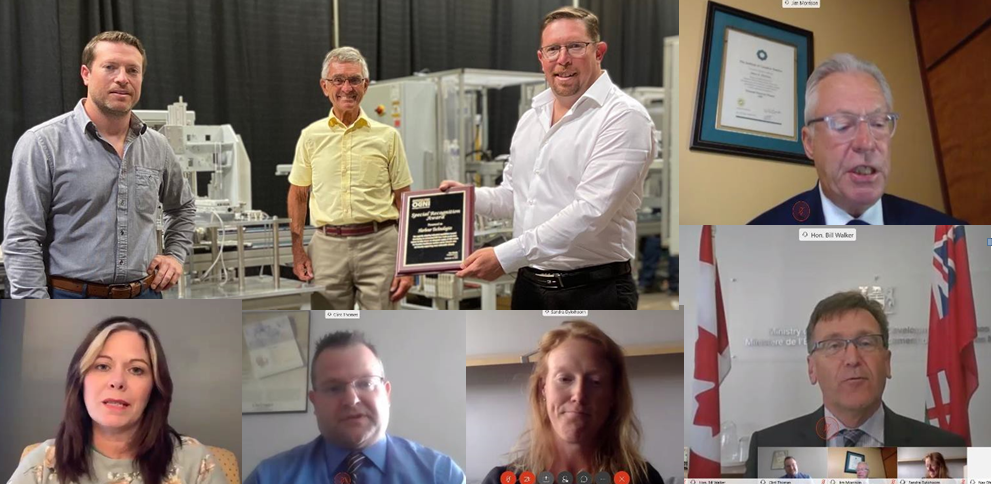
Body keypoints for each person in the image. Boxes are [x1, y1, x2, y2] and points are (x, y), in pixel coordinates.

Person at [439, 7, 655, 309]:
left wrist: (505, 256)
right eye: (553, 49)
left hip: (594, 291)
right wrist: (467, 198)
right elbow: (515, 195)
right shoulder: (532, 117)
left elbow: (590, 212)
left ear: (599, 51)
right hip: (529, 286)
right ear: (541, 58)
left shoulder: (624, 117)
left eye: (575, 46)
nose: (563, 59)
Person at [3, 31, 195, 299]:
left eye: (133, 70)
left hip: (144, 297)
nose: (122, 78)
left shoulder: (157, 147)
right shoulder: (43, 144)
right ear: (85, 74)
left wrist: (174, 255)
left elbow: (183, 208)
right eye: (110, 67)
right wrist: (38, 313)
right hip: (69, 300)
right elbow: (21, 240)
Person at [744, 291, 965, 477]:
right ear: (812, 368)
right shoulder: (767, 445)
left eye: (866, 343)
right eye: (833, 346)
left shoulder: (946, 447)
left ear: (887, 363)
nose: (852, 359)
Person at [748, 53, 965, 225]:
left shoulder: (949, 238)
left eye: (878, 123)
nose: (866, 143)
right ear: (809, 143)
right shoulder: (760, 236)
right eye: (843, 125)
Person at [6, 318, 225, 484]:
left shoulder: (196, 462)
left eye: (136, 370)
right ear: (80, 380)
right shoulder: (42, 465)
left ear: (155, 387)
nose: (117, 381)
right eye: (102, 366)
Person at [245, 331, 464, 484]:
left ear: (386, 393)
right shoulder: (268, 478)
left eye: (366, 383)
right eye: (334, 388)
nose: (351, 399)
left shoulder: (440, 475)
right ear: (315, 402)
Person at [287, 46, 413, 310]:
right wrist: (298, 252)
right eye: (338, 80)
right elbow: (298, 194)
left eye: (354, 79)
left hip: (380, 246)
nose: (347, 87)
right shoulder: (311, 136)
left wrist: (407, 264)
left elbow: (405, 200)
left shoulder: (388, 137)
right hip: (327, 247)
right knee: (332, 330)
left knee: (381, 330)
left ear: (365, 86)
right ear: (325, 86)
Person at [481, 321, 663, 484]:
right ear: (543, 388)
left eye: (595, 381)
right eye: (565, 379)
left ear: (613, 395)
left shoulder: (644, 479)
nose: (579, 394)